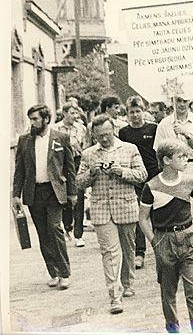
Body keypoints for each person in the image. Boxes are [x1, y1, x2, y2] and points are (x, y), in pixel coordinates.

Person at [77, 114, 147, 314]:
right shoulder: (88, 154)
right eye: (99, 136)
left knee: (128, 249)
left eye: (107, 134)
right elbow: (78, 183)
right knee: (109, 253)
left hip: (125, 207)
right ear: (94, 135)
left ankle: (127, 281)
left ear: (113, 130)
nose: (104, 139)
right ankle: (114, 296)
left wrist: (121, 171)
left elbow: (142, 176)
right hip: (101, 210)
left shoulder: (129, 149)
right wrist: (91, 173)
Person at [139, 140, 193, 333]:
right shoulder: (151, 187)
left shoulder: (189, 181)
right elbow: (143, 218)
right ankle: (173, 330)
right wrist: (155, 242)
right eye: (181, 157)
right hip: (164, 240)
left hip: (189, 239)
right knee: (168, 293)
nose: (186, 160)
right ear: (167, 160)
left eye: (186, 156)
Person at [12, 104, 76, 289]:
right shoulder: (24, 140)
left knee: (55, 228)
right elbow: (19, 171)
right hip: (34, 192)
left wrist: (72, 192)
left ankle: (65, 273)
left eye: (35, 119)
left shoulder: (61, 138)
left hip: (54, 191)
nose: (32, 122)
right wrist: (16, 195)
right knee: (43, 233)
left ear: (46, 119)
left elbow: (69, 168)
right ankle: (53, 272)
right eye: (30, 119)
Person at [154, 90, 193, 231]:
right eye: (178, 100)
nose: (181, 104)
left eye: (185, 101)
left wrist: (186, 134)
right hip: (172, 170)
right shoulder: (164, 124)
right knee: (176, 207)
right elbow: (158, 152)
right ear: (173, 101)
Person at [119, 96, 160, 269]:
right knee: (138, 215)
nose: (135, 115)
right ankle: (140, 252)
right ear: (127, 114)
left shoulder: (153, 128)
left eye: (138, 111)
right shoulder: (124, 133)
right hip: (135, 177)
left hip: (153, 174)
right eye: (131, 112)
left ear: (143, 112)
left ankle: (161, 247)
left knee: (157, 213)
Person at [52, 101, 87, 247]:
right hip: (62, 165)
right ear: (64, 113)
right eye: (72, 113)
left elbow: (86, 146)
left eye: (76, 113)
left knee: (79, 198)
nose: (75, 116)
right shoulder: (55, 129)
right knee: (65, 198)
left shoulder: (81, 128)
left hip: (77, 163)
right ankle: (68, 228)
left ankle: (79, 234)